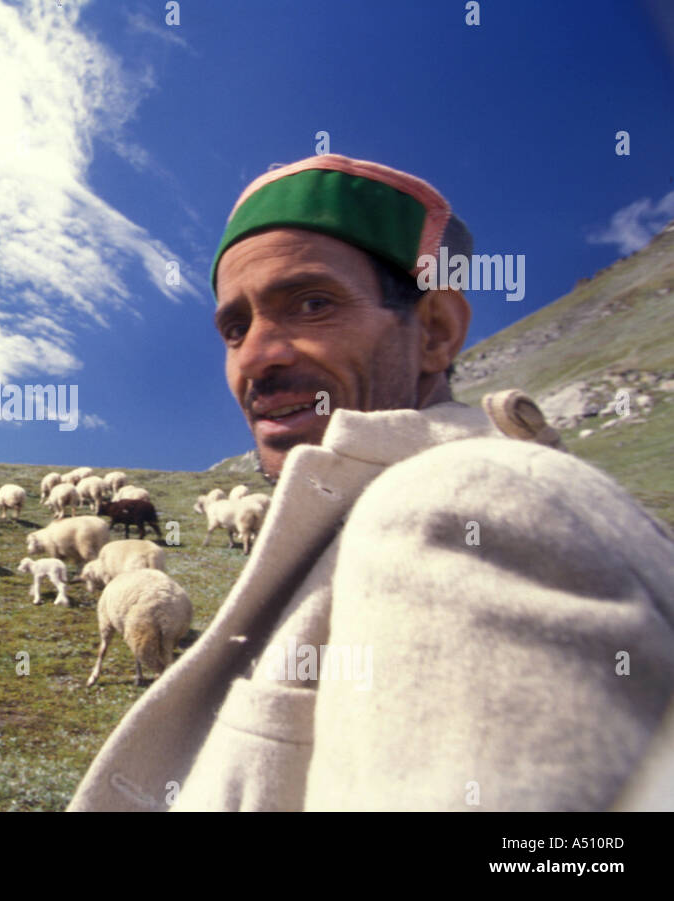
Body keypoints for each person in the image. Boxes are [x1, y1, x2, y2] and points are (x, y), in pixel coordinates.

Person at [68, 154, 674, 811]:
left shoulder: (456, 506)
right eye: (235, 328)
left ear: (435, 332)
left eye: (312, 303)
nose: (257, 357)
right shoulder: (358, 521)